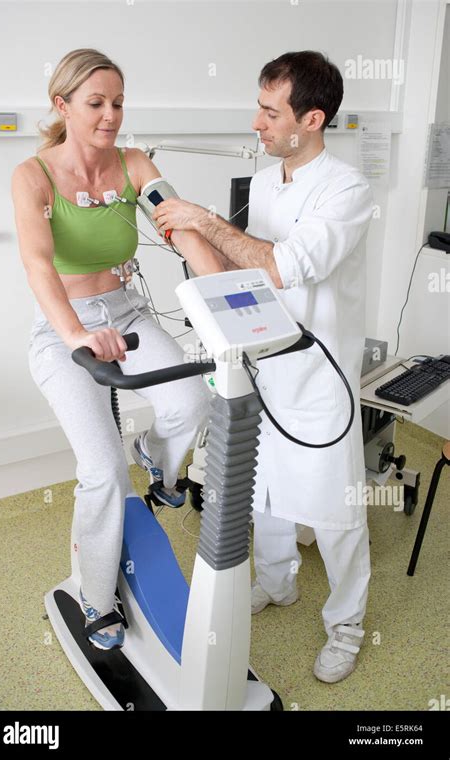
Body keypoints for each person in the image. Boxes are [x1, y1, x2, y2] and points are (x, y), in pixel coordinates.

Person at [152, 51, 374, 683]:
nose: (257, 122)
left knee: (335, 513)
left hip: (318, 379)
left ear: (312, 117)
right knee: (266, 493)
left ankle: (347, 626)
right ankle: (278, 584)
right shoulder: (265, 183)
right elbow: (240, 273)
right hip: (260, 368)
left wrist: (202, 220)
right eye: (259, 106)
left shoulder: (347, 191)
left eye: (271, 112)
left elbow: (281, 267)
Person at [11, 48, 222, 650]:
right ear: (63, 105)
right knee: (102, 473)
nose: (111, 115)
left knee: (190, 402)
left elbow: (177, 225)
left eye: (119, 103)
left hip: (126, 313)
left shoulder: (134, 164)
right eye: (96, 103)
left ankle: (154, 456)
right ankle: (97, 599)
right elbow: (36, 263)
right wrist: (77, 334)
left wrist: (220, 302)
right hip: (62, 328)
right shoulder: (34, 176)